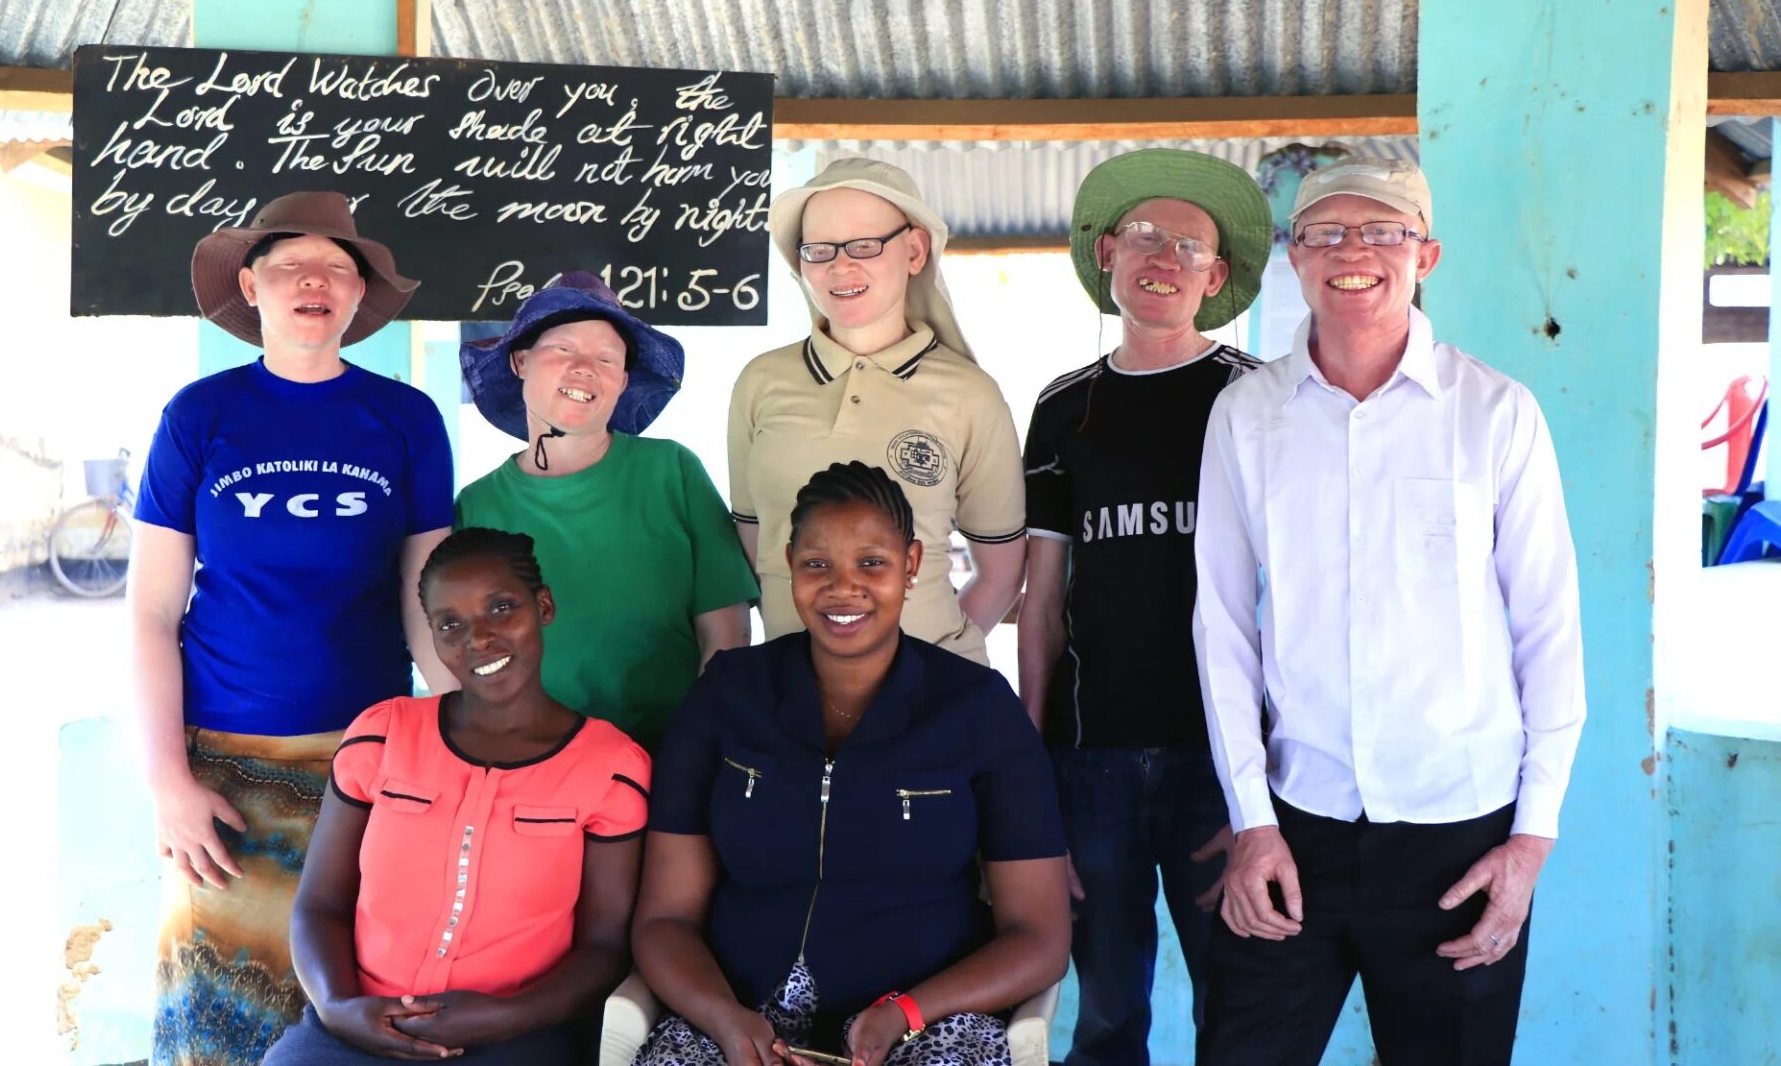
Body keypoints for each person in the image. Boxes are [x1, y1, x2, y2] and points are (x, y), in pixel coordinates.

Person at [1191, 158, 1585, 1066]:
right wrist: (1251, 820)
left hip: (1463, 840)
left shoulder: (1496, 413)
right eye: (1324, 233)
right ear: (1294, 257)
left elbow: (1550, 634)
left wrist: (1529, 845)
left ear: (1427, 254)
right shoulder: (1246, 415)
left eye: (1382, 231)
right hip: (1295, 827)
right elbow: (1221, 627)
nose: (1352, 252)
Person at [129, 192, 456, 1065]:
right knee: (216, 1012)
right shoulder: (199, 416)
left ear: (358, 297)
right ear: (251, 285)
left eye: (338, 268)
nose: (315, 282)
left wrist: (464, 741)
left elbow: (429, 603)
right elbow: (151, 613)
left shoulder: (407, 419)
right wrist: (166, 779)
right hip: (223, 763)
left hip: (369, 759)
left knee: (346, 1002)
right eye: (289, 266)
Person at [631, 461, 1071, 1066]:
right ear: (789, 564)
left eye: (872, 563)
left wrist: (906, 1013)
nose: (844, 588)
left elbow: (1040, 937)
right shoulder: (728, 695)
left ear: (911, 564)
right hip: (736, 1019)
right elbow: (664, 918)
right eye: (817, 564)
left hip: (925, 1023)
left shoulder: (976, 708)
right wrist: (726, 1021)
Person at [1018, 150, 1271, 1066]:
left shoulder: (1256, 395)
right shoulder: (1063, 409)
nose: (1163, 257)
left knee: (1235, 1002)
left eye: (1189, 246)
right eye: (1145, 238)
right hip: (1094, 762)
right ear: (1107, 256)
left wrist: (1266, 784)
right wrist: (1036, 762)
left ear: (1217, 276)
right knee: (1108, 1010)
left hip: (1225, 758)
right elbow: (1041, 603)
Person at [262, 528, 650, 1065]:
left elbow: (605, 947)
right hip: (359, 1025)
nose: (479, 638)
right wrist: (337, 1007)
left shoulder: (612, 767)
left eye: (501, 608)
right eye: (451, 625)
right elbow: (319, 906)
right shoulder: (382, 735)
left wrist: (509, 1015)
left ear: (544, 606)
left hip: (520, 1036)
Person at [729, 159, 1026, 666]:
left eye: (865, 245)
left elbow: (1001, 572)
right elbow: (758, 554)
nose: (840, 268)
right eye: (818, 251)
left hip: (930, 709)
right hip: (789, 696)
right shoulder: (761, 382)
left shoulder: (971, 393)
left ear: (914, 250)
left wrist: (929, 667)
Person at [457, 271, 758, 751]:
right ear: (520, 361)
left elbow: (726, 633)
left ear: (622, 381)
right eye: (563, 349)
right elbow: (467, 653)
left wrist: (693, 754)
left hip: (667, 758)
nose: (584, 368)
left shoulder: (673, 471)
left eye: (605, 358)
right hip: (527, 769)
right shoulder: (476, 504)